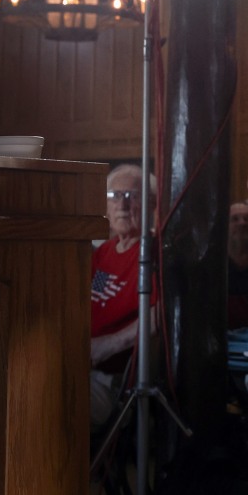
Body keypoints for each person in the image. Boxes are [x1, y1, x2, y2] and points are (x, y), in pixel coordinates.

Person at [90, 164, 155, 429]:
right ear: (106, 208)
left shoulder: (153, 253)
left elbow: (158, 316)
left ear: (151, 204)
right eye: (115, 196)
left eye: (133, 196)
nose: (123, 205)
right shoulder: (103, 252)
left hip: (110, 382)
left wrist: (107, 344)